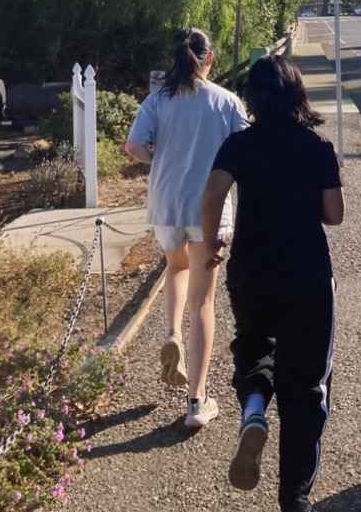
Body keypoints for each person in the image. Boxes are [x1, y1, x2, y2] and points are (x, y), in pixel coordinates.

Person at [201, 55, 344, 512]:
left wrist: (210, 247)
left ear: (254, 98)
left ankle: (255, 408)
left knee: (253, 344)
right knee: (306, 386)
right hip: (307, 273)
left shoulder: (239, 144)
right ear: (296, 93)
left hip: (252, 268)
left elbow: (213, 194)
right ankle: (295, 497)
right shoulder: (317, 146)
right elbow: (334, 215)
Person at [124, 28, 248, 429]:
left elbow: (133, 146)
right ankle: (197, 400)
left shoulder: (158, 100)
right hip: (209, 212)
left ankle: (173, 334)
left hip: (166, 205)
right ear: (209, 59)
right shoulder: (226, 101)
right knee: (205, 303)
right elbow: (247, 149)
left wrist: (155, 158)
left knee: (175, 268)